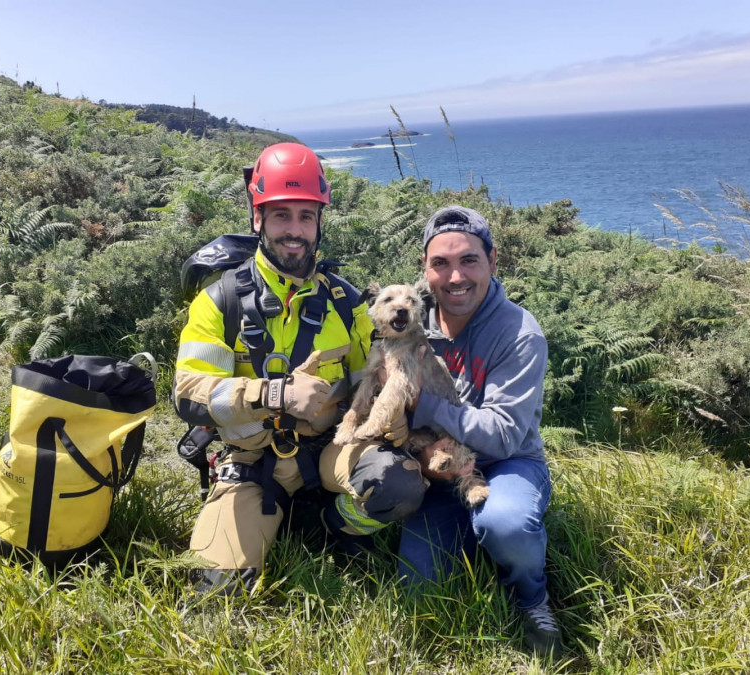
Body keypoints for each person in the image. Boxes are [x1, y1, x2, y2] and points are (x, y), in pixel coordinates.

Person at [173, 143, 427, 595]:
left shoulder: (346, 303)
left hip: (326, 450)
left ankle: (337, 525)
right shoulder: (220, 302)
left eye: (306, 216)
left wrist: (389, 396)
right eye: (281, 215)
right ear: (258, 219)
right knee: (216, 594)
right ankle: (268, 523)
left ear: (319, 223)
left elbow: (365, 380)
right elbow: (189, 394)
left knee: (398, 484)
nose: (295, 230)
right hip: (250, 462)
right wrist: (275, 395)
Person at [400, 205, 562, 657]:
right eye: (441, 263)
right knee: (419, 589)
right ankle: (481, 546)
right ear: (426, 269)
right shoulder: (411, 323)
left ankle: (532, 598)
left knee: (504, 522)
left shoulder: (519, 334)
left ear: (492, 262)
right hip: (438, 470)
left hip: (506, 463)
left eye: (469, 260)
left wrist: (420, 403)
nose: (455, 277)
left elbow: (504, 434)